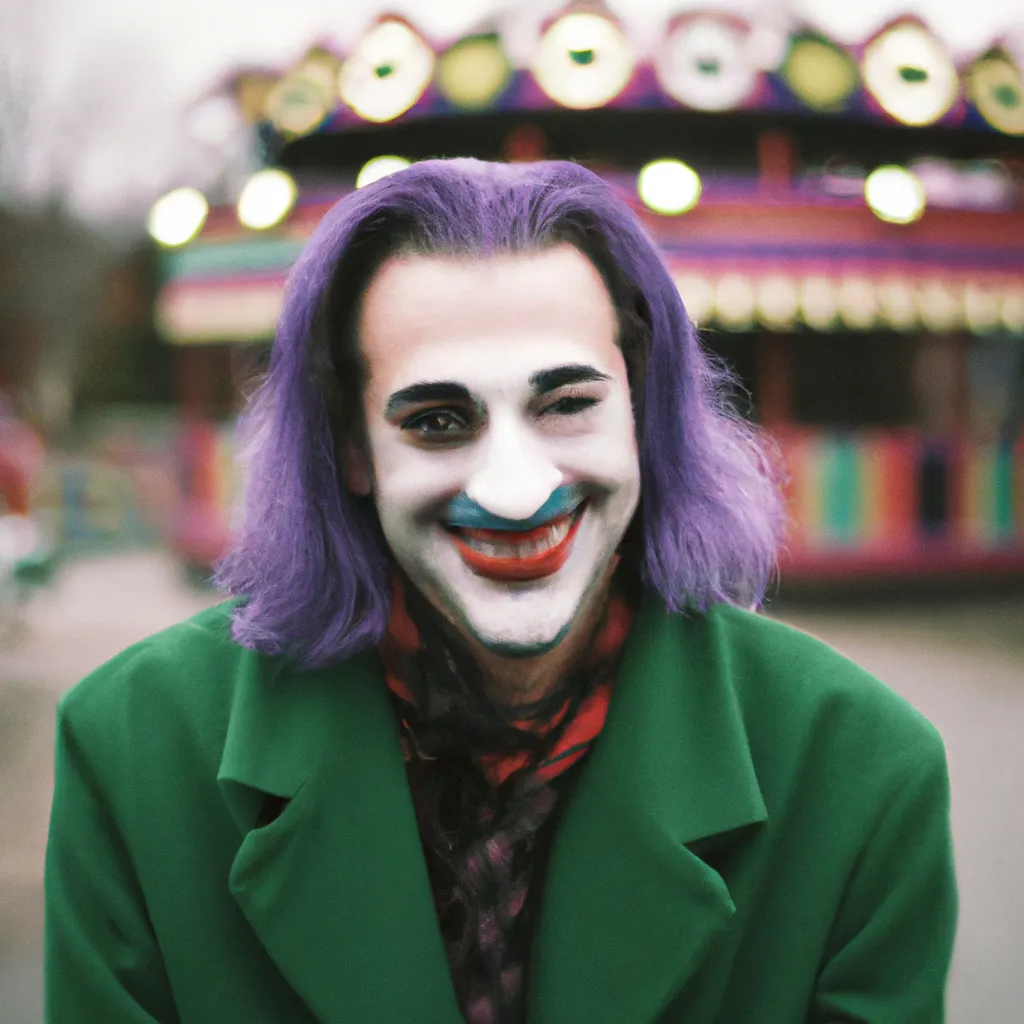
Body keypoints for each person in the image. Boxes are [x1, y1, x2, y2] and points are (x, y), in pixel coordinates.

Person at [45, 159, 956, 1023]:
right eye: (439, 421)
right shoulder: (134, 752)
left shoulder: (864, 778)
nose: (516, 491)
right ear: (352, 450)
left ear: (642, 409)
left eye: (567, 405)